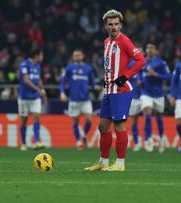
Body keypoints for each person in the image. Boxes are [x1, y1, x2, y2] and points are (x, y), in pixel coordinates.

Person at [85, 9, 146, 172]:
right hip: (109, 90)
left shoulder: (125, 41)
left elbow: (141, 60)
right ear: (105, 26)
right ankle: (103, 162)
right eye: (110, 24)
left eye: (116, 24)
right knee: (103, 127)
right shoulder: (106, 42)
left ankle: (120, 163)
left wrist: (125, 76)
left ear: (121, 25)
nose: (113, 27)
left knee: (119, 125)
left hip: (121, 90)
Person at [60, 49, 100, 150]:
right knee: (75, 122)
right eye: (75, 55)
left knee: (89, 120)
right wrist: (62, 93)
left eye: (78, 55)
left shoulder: (88, 68)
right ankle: (78, 141)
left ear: (82, 56)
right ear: (73, 57)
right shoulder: (69, 68)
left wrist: (95, 86)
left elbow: (91, 81)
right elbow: (63, 82)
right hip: (73, 100)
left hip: (85, 99)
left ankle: (84, 135)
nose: (77, 57)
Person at [139, 43, 172, 153]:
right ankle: (148, 140)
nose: (149, 50)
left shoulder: (161, 63)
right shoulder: (142, 61)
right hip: (145, 92)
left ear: (156, 50)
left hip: (158, 94)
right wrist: (140, 80)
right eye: (147, 48)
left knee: (158, 117)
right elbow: (138, 72)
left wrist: (155, 74)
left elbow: (168, 76)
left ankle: (161, 138)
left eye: (152, 48)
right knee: (147, 112)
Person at [18, 48, 47, 151]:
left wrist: (43, 92)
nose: (42, 57)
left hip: (35, 97)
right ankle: (24, 143)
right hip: (24, 97)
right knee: (24, 120)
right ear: (36, 56)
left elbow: (38, 79)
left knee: (36, 116)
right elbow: (26, 80)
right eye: (41, 55)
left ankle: (36, 142)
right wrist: (38, 90)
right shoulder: (24, 65)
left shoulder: (38, 66)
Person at [128, 56, 142, 152]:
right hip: (135, 97)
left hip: (147, 95)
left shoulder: (146, 65)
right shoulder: (130, 65)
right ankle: (137, 142)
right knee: (134, 121)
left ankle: (149, 140)